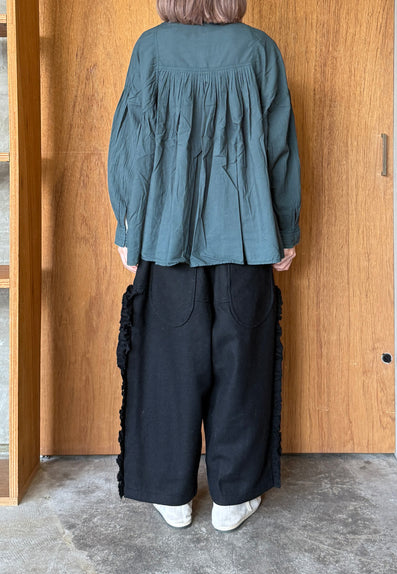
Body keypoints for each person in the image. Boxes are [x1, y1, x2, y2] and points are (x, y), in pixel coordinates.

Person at [107, 0, 301, 532]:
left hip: (166, 234)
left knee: (167, 364)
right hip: (248, 235)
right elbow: (279, 148)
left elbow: (131, 145)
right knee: (243, 363)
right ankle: (233, 496)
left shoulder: (151, 48)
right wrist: (285, 230)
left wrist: (128, 226)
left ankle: (171, 493)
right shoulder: (259, 49)